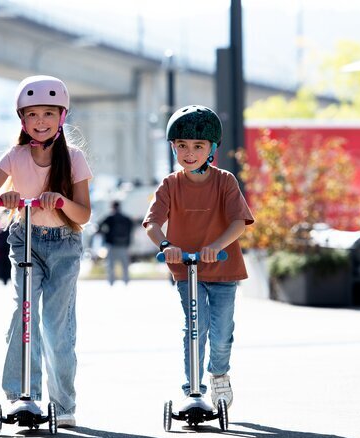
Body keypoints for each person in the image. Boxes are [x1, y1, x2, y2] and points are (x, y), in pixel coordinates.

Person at [0, 75, 92, 428]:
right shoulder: (15, 157)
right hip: (24, 239)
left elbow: (83, 214)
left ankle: (64, 403)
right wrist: (1, 197)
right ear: (22, 120)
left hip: (64, 245)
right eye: (33, 115)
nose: (41, 122)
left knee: (57, 326)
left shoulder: (74, 159)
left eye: (48, 114)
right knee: (23, 316)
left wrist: (62, 201)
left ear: (62, 117)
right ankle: (21, 395)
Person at [143, 105, 254, 409]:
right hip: (186, 269)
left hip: (223, 268)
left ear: (212, 149)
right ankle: (193, 388)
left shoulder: (225, 181)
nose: (189, 153)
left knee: (220, 332)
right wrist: (166, 245)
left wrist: (216, 246)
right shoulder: (170, 184)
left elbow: (238, 223)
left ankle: (219, 374)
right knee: (195, 327)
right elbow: (152, 223)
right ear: (173, 147)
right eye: (182, 146)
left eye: (197, 146)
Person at [98, 200, 134, 285]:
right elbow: (131, 230)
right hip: (124, 245)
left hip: (112, 245)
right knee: (125, 266)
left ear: (112, 207)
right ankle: (126, 282)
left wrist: (105, 235)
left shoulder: (109, 217)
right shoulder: (126, 218)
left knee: (111, 266)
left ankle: (111, 282)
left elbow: (99, 227)